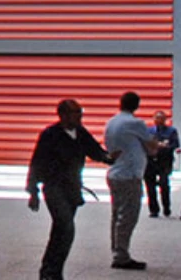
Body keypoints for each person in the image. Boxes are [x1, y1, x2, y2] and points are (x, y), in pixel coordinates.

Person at [27, 99, 119, 280]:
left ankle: (52, 272)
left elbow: (95, 151)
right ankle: (49, 271)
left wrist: (109, 158)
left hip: (73, 188)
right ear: (63, 115)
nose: (79, 117)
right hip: (54, 187)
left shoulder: (80, 133)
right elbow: (37, 162)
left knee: (61, 232)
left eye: (80, 113)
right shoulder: (50, 135)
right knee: (66, 227)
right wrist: (33, 192)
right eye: (75, 113)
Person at [103, 91, 158, 271]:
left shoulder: (111, 122)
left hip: (115, 173)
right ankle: (121, 255)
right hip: (130, 175)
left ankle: (117, 251)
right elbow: (151, 147)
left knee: (117, 215)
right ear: (137, 105)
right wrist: (156, 145)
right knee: (128, 216)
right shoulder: (136, 123)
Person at [144, 110, 179, 218]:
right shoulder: (148, 130)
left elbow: (175, 144)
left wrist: (165, 147)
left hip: (164, 161)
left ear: (165, 120)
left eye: (161, 118)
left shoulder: (171, 131)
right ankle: (153, 209)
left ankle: (166, 206)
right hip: (150, 161)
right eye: (157, 118)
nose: (159, 120)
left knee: (164, 184)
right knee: (150, 186)